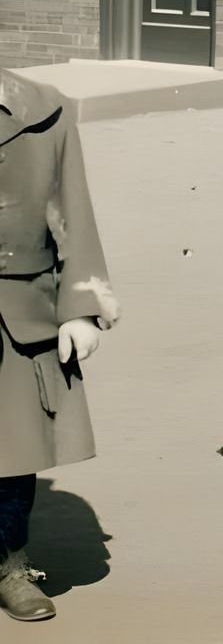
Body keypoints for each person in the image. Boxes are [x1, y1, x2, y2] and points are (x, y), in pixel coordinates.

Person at [0, 71, 118, 624]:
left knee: (14, 452)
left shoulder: (46, 110)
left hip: (20, 312)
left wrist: (80, 307)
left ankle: (9, 563)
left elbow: (74, 213)